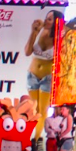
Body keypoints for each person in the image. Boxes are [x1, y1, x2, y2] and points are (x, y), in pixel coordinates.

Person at [24, 10, 63, 142]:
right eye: (46, 18)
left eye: (50, 19)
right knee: (33, 109)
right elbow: (27, 52)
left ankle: (35, 140)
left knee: (42, 110)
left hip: (47, 76)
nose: (46, 21)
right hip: (32, 74)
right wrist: (33, 32)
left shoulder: (60, 37)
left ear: (56, 22)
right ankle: (30, 137)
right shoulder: (40, 31)